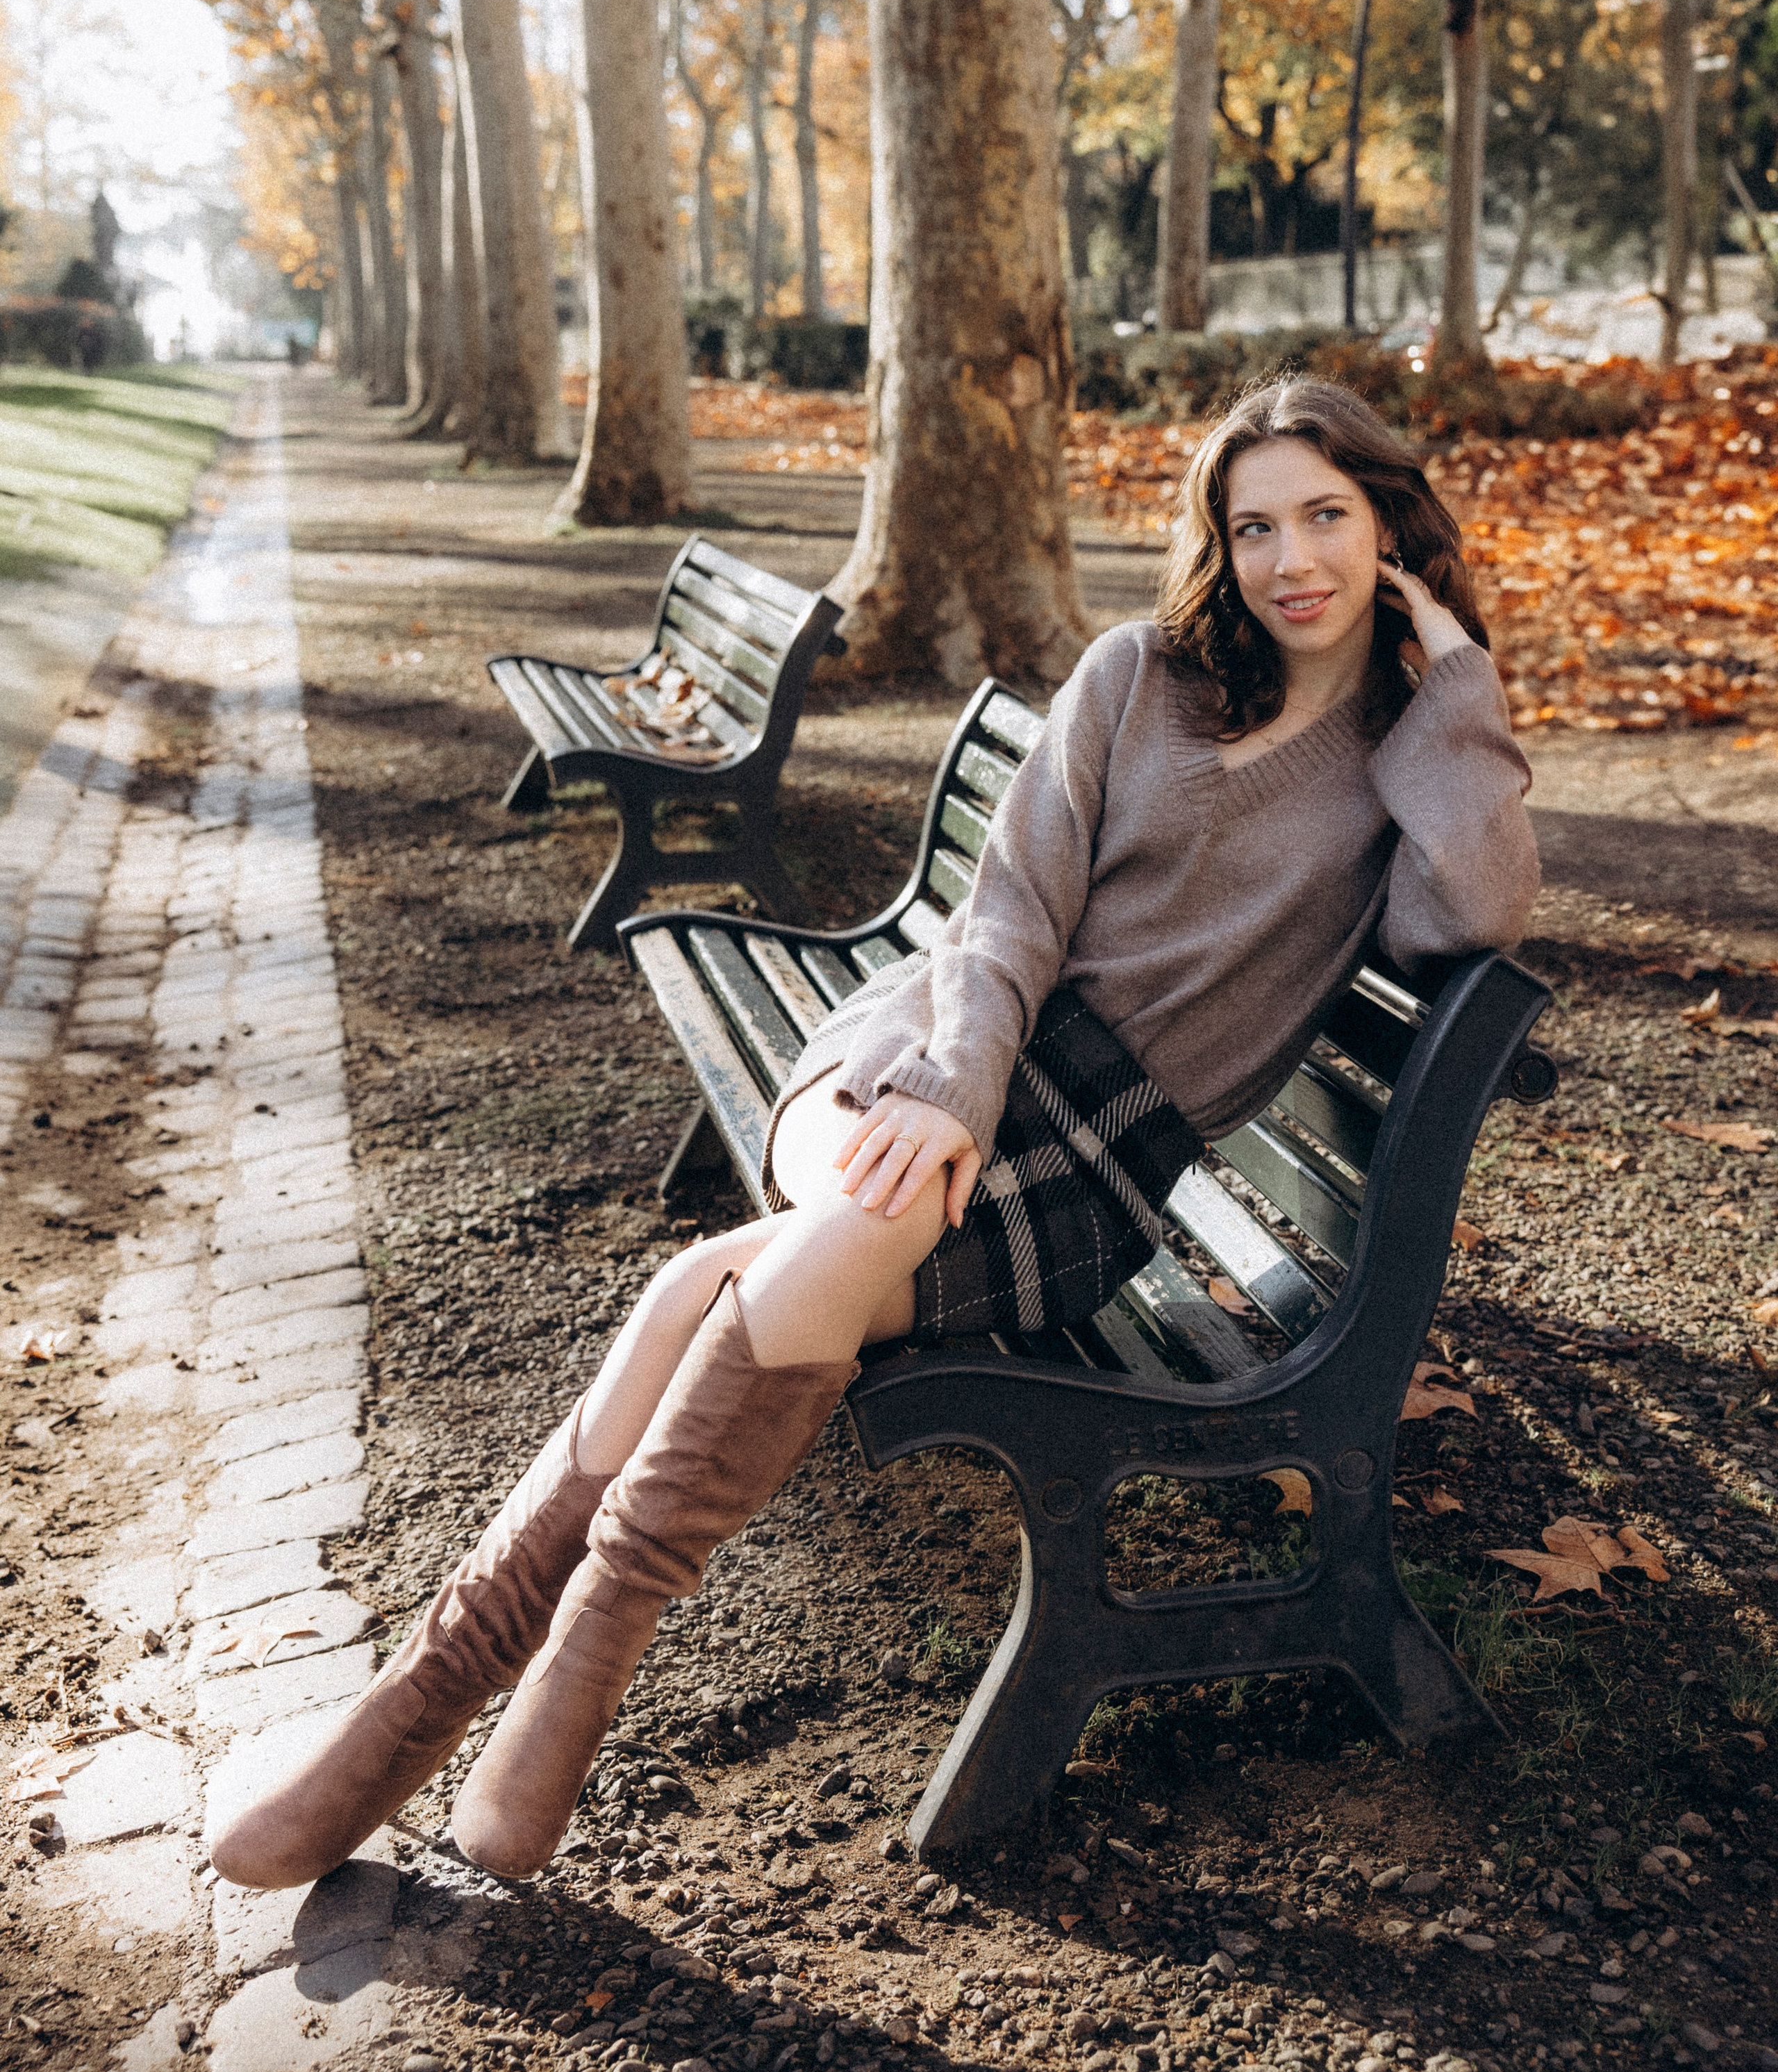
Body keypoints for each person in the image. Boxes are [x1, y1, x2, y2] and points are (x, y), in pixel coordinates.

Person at [211, 375, 1538, 1893]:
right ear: (1215, 544)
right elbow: (1004, 918)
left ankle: (413, 1715)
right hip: (923, 1054)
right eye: (1253, 527)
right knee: (855, 1215)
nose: (1289, 560)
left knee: (704, 1287)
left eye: (1325, 518)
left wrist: (1451, 688)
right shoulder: (1134, 678)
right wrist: (956, 1087)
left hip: (1096, 1167)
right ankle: (523, 1709)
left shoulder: (1401, 763)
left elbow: (1481, 908)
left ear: (1387, 529)